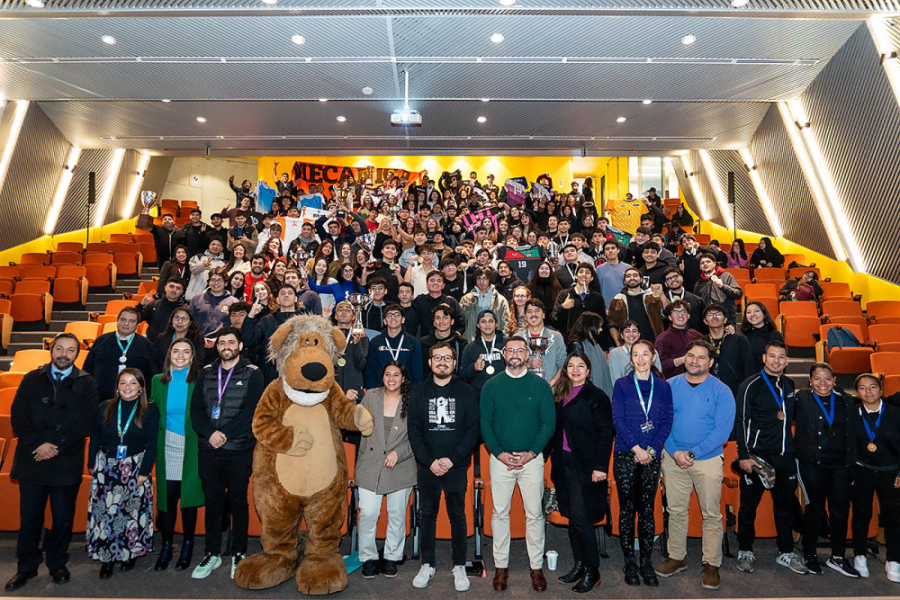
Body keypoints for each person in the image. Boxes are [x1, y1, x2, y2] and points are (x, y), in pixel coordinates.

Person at [5, 334, 100, 592]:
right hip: (32, 459)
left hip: (65, 460)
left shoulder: (86, 382)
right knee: (30, 520)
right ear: (51, 350)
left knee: (62, 519)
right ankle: (26, 566)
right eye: (60, 348)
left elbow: (86, 421)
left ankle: (57, 562)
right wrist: (39, 444)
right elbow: (18, 416)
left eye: (70, 350)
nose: (64, 354)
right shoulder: (31, 379)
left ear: (76, 354)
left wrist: (55, 447)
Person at [654, 340, 735, 590]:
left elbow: (722, 430)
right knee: (676, 511)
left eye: (701, 357)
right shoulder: (669, 386)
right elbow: (661, 421)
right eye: (690, 355)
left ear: (710, 362)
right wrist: (675, 450)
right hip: (673, 456)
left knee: (711, 513)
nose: (694, 361)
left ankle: (711, 564)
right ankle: (677, 557)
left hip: (707, 459)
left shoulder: (722, 391)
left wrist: (693, 452)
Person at [480, 336, 556, 593]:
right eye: (510, 350)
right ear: (504, 355)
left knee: (535, 514)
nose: (514, 354)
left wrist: (531, 453)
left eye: (519, 350)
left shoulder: (540, 385)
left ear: (527, 355)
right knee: (500, 514)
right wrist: (500, 454)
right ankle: (501, 568)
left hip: (532, 461)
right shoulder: (491, 386)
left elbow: (548, 424)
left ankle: (536, 567)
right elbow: (485, 425)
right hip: (499, 461)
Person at [190, 327, 264, 580]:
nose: (226, 346)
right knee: (212, 503)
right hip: (208, 449)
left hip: (239, 450)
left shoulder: (254, 373)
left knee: (237, 502)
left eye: (231, 342)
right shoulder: (206, 373)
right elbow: (197, 411)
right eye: (222, 343)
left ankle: (239, 552)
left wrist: (226, 435)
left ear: (240, 346)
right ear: (216, 346)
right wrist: (210, 434)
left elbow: (252, 412)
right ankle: (212, 553)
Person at [407, 343, 481, 591]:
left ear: (454, 362)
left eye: (447, 358)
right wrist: (429, 461)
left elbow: (473, 429)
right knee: (427, 514)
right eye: (437, 357)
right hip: (427, 466)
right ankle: (427, 563)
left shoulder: (467, 391)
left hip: (456, 466)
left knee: (457, 515)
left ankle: (459, 565)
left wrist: (452, 459)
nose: (442, 361)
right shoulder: (418, 392)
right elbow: (414, 431)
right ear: (429, 362)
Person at [734, 340, 808, 575]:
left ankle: (785, 552)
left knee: (785, 507)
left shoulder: (788, 384)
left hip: (785, 457)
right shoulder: (750, 385)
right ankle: (745, 550)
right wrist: (744, 456)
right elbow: (741, 421)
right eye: (772, 356)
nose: (777, 361)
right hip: (756, 458)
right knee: (748, 508)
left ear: (786, 361)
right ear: (764, 358)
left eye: (781, 357)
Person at [549, 351, 613, 593]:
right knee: (571, 516)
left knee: (581, 517)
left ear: (588, 370)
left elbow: (606, 433)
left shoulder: (596, 397)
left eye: (580, 366)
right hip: (563, 463)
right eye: (571, 366)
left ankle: (592, 570)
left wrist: (600, 467)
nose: (575, 370)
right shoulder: (561, 394)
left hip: (586, 466)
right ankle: (579, 564)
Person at [610, 340, 673, 587]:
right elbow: (617, 419)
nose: (640, 358)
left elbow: (667, 420)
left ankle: (646, 561)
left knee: (647, 510)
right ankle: (630, 561)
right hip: (626, 452)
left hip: (652, 454)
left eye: (645, 354)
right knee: (627, 509)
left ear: (653, 356)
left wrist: (650, 449)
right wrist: (637, 448)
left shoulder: (664, 387)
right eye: (635, 354)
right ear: (631, 359)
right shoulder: (622, 384)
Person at [86, 368, 158, 578]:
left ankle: (129, 553)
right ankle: (107, 557)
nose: (127, 387)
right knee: (106, 514)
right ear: (117, 386)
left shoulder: (150, 410)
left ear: (141, 388)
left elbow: (152, 443)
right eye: (123, 383)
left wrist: (145, 471)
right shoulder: (105, 407)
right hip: (106, 468)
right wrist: (92, 463)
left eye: (133, 383)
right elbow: (95, 437)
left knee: (130, 513)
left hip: (135, 467)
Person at [792, 363, 859, 577]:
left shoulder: (846, 400)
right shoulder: (801, 398)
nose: (823, 383)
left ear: (835, 379)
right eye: (817, 379)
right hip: (812, 463)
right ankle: (810, 554)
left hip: (841, 464)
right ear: (810, 380)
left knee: (840, 510)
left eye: (827, 378)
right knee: (815, 509)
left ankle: (838, 556)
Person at [356, 362, 417, 579]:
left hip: (401, 465)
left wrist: (399, 453)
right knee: (368, 514)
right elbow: (359, 425)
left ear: (403, 378)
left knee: (397, 515)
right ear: (382, 377)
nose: (391, 378)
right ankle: (368, 557)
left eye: (396, 374)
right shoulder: (370, 397)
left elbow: (418, 437)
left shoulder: (412, 401)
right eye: (387, 374)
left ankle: (392, 555)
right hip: (370, 463)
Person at [149, 339, 204, 572]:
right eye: (176, 351)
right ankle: (167, 545)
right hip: (167, 444)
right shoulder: (157, 381)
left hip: (192, 445)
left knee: (188, 498)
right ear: (169, 354)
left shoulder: (199, 380)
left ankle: (188, 545)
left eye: (186, 352)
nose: (180, 355)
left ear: (192, 357)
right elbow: (152, 414)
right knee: (168, 498)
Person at [850, 373, 900, 582]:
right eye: (862, 388)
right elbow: (848, 445)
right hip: (863, 470)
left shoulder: (896, 413)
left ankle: (894, 559)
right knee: (861, 514)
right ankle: (860, 555)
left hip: (891, 472)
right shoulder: (852, 413)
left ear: (881, 390)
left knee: (894, 518)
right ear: (857, 392)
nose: (868, 392)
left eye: (872, 387)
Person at [83, 306, 156, 401]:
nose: (126, 324)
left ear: (138, 326)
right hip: (100, 400)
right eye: (123, 319)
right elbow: (88, 370)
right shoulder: (101, 341)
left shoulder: (147, 345)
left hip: (134, 402)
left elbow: (152, 376)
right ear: (117, 321)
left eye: (131, 321)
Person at [242, 284, 302, 383]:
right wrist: (251, 315)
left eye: (290, 293)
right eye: (282, 293)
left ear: (296, 299)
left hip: (297, 374)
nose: (286, 295)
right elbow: (248, 341)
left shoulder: (304, 322)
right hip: (271, 376)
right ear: (277, 300)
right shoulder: (267, 321)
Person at [365, 304, 424, 389]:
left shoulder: (413, 342)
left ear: (403, 320)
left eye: (397, 315)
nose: (393, 318)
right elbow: (370, 372)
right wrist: (373, 392)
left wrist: (414, 394)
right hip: (381, 391)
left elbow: (418, 373)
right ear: (384, 321)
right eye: (389, 315)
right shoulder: (375, 342)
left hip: (406, 391)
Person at [702, 304, 754, 397]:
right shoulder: (701, 343)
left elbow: (748, 368)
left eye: (718, 314)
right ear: (705, 321)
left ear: (725, 319)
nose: (714, 317)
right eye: (710, 315)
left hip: (734, 392)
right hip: (707, 392)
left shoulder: (740, 340)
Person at [607, 268, 666, 344]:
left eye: (635, 275)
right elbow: (612, 324)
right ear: (624, 281)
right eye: (628, 276)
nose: (632, 278)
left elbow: (666, 312)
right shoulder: (617, 300)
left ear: (641, 279)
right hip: (629, 344)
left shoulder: (652, 297)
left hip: (654, 342)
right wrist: (619, 344)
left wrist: (661, 294)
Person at [516, 299, 566, 384]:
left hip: (550, 389)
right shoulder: (518, 338)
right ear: (525, 316)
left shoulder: (556, 337)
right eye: (529, 311)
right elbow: (513, 365)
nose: (533, 314)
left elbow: (562, 365)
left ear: (543, 315)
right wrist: (529, 365)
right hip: (524, 389)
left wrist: (552, 382)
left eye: (537, 311)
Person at [459, 309, 506, 398]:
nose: (487, 324)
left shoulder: (507, 344)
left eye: (491, 321)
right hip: (479, 397)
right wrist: (474, 368)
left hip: (504, 394)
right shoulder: (469, 348)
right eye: (483, 321)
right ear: (478, 325)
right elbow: (463, 376)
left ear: (496, 324)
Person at [552, 263, 607, 337]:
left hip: (591, 340)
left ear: (592, 278)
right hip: (568, 340)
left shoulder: (597, 298)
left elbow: (602, 322)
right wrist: (563, 308)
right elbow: (554, 320)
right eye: (581, 272)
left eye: (587, 272)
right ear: (576, 276)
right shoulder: (564, 294)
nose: (584, 275)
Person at [331, 300, 368, 410]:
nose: (343, 312)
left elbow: (361, 365)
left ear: (353, 317)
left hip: (354, 392)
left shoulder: (362, 336)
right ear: (335, 316)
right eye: (340, 310)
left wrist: (357, 344)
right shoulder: (328, 336)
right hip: (332, 392)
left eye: (348, 310)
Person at [405, 271, 465, 338]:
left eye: (439, 281)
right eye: (432, 280)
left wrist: (455, 336)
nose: (435, 283)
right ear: (427, 284)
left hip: (447, 341)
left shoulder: (450, 301)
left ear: (443, 285)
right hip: (426, 342)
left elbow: (461, 324)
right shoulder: (420, 300)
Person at [566, 312, 613, 397]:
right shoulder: (577, 345)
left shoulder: (596, 344)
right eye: (598, 326)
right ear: (590, 326)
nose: (601, 329)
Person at [655, 300, 703, 379]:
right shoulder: (663, 338)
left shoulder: (695, 334)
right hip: (673, 382)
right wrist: (684, 359)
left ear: (688, 315)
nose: (680, 315)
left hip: (697, 380)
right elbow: (659, 365)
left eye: (683, 312)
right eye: (675, 313)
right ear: (670, 317)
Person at [459, 267, 510, 342]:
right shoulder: (466, 298)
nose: (482, 281)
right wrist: (467, 306)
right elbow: (462, 322)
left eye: (485, 278)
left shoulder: (500, 300)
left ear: (490, 280)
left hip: (495, 340)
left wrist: (503, 340)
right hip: (472, 340)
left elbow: (506, 322)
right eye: (478, 278)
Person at [694, 253, 743, 325]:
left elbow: (738, 294)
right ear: (700, 267)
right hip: (708, 321)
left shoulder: (726, 276)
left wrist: (723, 286)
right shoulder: (699, 284)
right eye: (702, 263)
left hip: (727, 320)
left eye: (708, 262)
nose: (705, 264)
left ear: (714, 264)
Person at [189, 267, 238, 338]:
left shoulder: (233, 302)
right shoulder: (196, 299)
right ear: (209, 282)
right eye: (213, 280)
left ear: (226, 283)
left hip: (223, 343)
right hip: (199, 341)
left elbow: (236, 326)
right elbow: (190, 322)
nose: (216, 283)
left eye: (220, 280)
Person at [419, 304, 467, 377]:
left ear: (452, 321)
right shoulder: (423, 343)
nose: (441, 321)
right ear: (434, 322)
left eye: (445, 317)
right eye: (438, 318)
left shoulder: (461, 344)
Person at [741, 301, 784, 372]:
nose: (752, 314)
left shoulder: (775, 335)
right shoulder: (743, 336)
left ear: (764, 314)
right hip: (748, 378)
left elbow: (780, 360)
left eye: (756, 311)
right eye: (748, 312)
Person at [140, 276, 186, 341]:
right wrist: (141, 304)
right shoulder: (153, 305)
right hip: (153, 346)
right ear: (165, 288)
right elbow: (137, 318)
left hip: (175, 348)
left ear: (182, 292)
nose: (174, 290)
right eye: (171, 286)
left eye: (178, 288)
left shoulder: (185, 311)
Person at [661, 267, 706, 333]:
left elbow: (703, 324)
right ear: (665, 283)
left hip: (694, 338)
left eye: (675, 276)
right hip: (671, 339)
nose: (673, 280)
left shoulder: (697, 300)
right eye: (669, 279)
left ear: (682, 278)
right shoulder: (662, 300)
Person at [595, 240, 630, 309]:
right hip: (607, 308)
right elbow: (596, 291)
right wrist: (602, 307)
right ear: (604, 252)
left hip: (626, 306)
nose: (610, 251)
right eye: (607, 249)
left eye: (613, 248)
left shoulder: (628, 268)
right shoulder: (598, 269)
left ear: (618, 250)